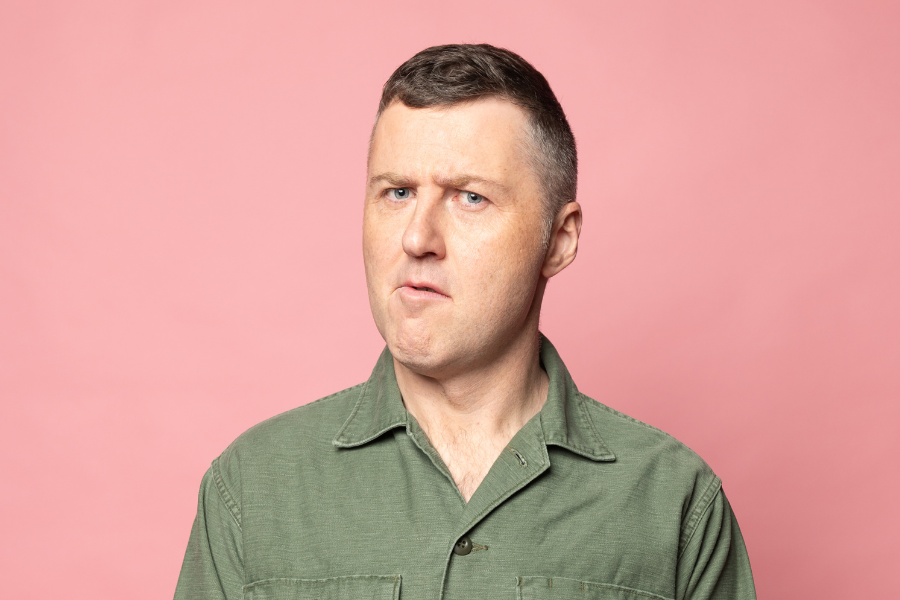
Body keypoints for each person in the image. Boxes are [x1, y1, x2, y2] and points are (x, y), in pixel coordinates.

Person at [174, 44, 756, 600]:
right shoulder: (251, 488)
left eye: (469, 197)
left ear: (559, 239)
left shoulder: (675, 502)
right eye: (397, 192)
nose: (417, 238)